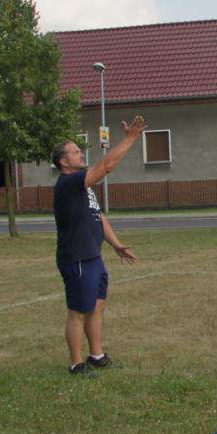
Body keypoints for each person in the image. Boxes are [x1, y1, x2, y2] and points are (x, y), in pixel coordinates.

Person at [51, 115, 145, 375]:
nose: (81, 154)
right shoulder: (69, 183)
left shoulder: (83, 188)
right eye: (75, 151)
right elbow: (105, 167)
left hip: (93, 256)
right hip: (77, 258)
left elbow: (98, 215)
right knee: (78, 312)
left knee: (96, 306)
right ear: (63, 161)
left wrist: (115, 244)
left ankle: (96, 355)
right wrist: (130, 138)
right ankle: (76, 364)